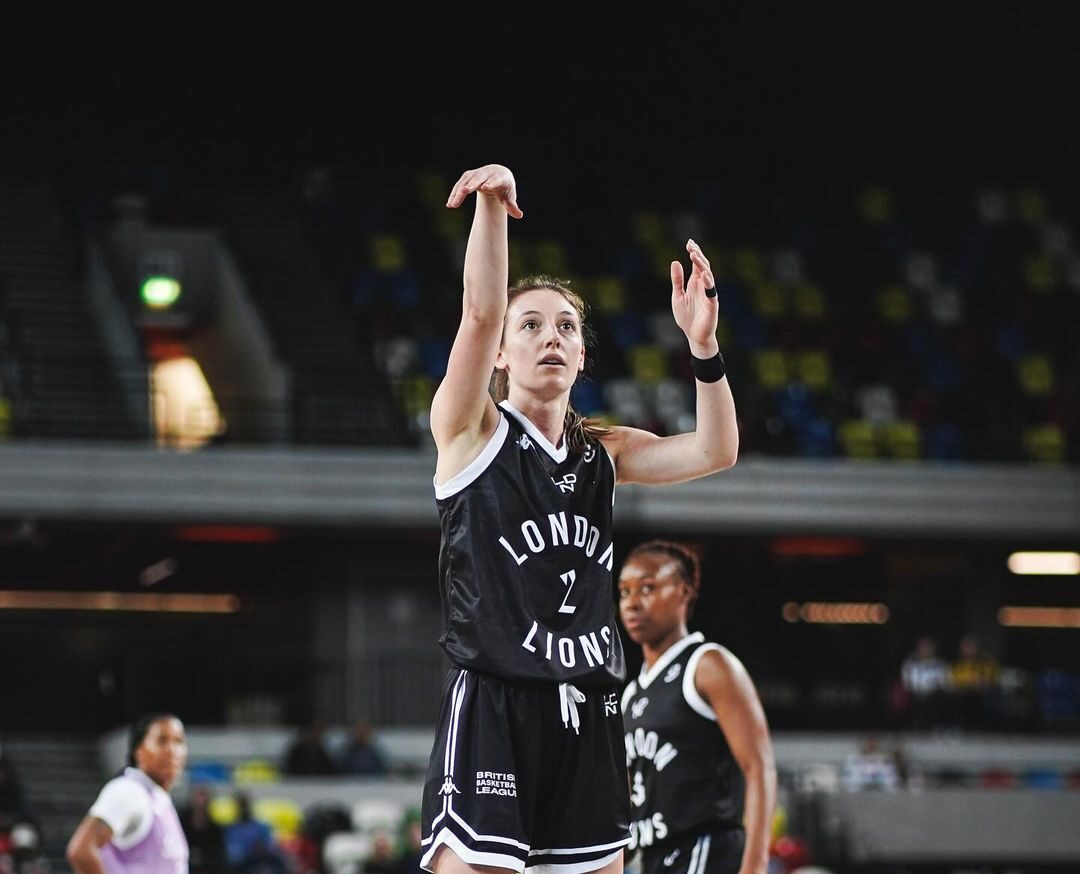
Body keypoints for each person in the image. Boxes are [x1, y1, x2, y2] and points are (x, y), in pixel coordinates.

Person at [419, 164, 739, 874]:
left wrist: (704, 348)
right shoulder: (471, 432)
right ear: (501, 355)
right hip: (497, 702)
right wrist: (494, 206)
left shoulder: (604, 453)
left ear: (584, 353)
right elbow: (479, 313)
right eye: (530, 326)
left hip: (589, 708)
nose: (551, 337)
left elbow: (716, 451)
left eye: (566, 327)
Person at [618, 540, 775, 874]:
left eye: (647, 588)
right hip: (654, 858)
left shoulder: (709, 665)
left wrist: (756, 867)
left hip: (707, 852)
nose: (632, 602)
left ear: (683, 591)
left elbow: (759, 767)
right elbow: (632, 801)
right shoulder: (631, 693)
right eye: (624, 592)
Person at [66, 712, 190, 874]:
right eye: (162, 740)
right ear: (139, 751)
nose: (172, 750)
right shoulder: (130, 791)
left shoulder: (158, 797)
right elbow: (82, 851)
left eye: (178, 741)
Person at [178, 785, 227, 874]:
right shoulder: (181, 825)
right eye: (197, 803)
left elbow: (217, 856)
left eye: (203, 803)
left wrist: (202, 858)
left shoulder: (215, 829)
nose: (200, 806)